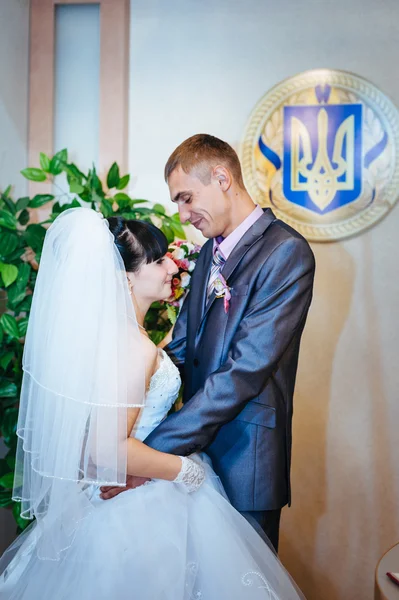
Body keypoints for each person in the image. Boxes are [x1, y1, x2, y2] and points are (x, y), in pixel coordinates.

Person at [0, 207, 304, 599]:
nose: (172, 268)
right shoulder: (130, 347)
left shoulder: (122, 340)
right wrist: (185, 471)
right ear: (126, 277)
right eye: (158, 261)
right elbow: (105, 449)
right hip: (142, 503)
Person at [102, 134, 316, 553]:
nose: (183, 216)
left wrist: (147, 455)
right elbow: (180, 352)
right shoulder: (208, 255)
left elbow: (243, 372)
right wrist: (126, 436)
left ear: (221, 177)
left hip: (244, 461)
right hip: (187, 457)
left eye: (186, 198)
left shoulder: (286, 252)